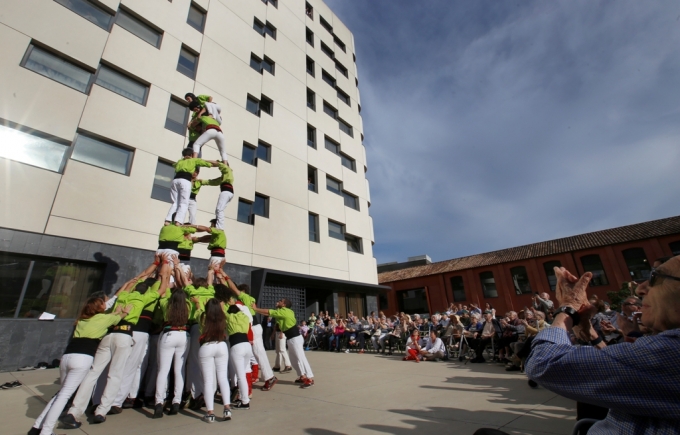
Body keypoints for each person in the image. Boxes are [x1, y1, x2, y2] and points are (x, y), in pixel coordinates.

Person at [525, 261, 680, 433]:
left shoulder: (672, 350)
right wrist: (591, 334)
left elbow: (544, 363)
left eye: (655, 277)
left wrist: (567, 309)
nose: (640, 289)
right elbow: (618, 365)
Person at [62, 261, 166, 426]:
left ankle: (75, 410)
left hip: (109, 334)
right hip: (124, 335)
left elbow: (129, 284)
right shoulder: (143, 299)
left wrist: (147, 270)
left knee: (93, 373)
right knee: (115, 374)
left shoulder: (123, 296)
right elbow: (162, 287)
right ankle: (102, 410)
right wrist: (165, 267)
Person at [29, 297, 131, 435]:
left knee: (61, 394)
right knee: (64, 396)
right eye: (103, 303)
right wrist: (123, 311)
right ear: (100, 308)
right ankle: (46, 431)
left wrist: (115, 312)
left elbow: (108, 317)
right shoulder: (103, 318)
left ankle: (37, 427)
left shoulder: (82, 320)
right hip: (83, 358)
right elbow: (119, 318)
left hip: (67, 356)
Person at [220, 270, 278, 392]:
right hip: (252, 326)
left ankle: (269, 377)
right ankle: (266, 377)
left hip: (253, 327)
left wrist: (223, 274)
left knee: (258, 353)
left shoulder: (245, 297)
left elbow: (233, 289)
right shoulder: (244, 299)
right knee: (255, 354)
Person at [253, 299, 315, 388]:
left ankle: (309, 378)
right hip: (291, 338)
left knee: (301, 358)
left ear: (284, 305)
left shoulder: (285, 311)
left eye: (281, 301)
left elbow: (269, 312)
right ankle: (302, 376)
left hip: (295, 338)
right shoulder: (281, 312)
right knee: (293, 360)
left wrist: (256, 309)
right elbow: (274, 318)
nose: (278, 301)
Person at [153, 264, 189, 418]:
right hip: (183, 335)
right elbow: (188, 289)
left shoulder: (166, 304)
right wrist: (180, 273)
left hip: (168, 334)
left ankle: (159, 402)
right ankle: (176, 401)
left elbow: (164, 290)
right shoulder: (188, 306)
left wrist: (166, 274)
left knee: (163, 370)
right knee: (179, 370)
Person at [193, 297, 232, 422]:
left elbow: (198, 312)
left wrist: (198, 303)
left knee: (208, 381)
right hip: (221, 345)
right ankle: (227, 408)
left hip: (207, 346)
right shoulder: (223, 317)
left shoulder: (203, 316)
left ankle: (210, 413)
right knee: (223, 378)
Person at [165, 149, 215, 225]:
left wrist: (184, 159)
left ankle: (167, 220)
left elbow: (174, 165)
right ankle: (178, 221)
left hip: (175, 180)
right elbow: (208, 164)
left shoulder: (180, 161)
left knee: (175, 202)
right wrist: (218, 164)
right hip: (185, 180)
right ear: (192, 155)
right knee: (184, 203)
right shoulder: (194, 160)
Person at [223, 291, 254, 409]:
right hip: (247, 346)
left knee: (240, 375)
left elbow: (222, 312)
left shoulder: (229, 317)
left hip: (237, 346)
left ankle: (245, 401)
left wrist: (226, 304)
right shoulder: (245, 317)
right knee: (243, 374)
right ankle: (243, 397)